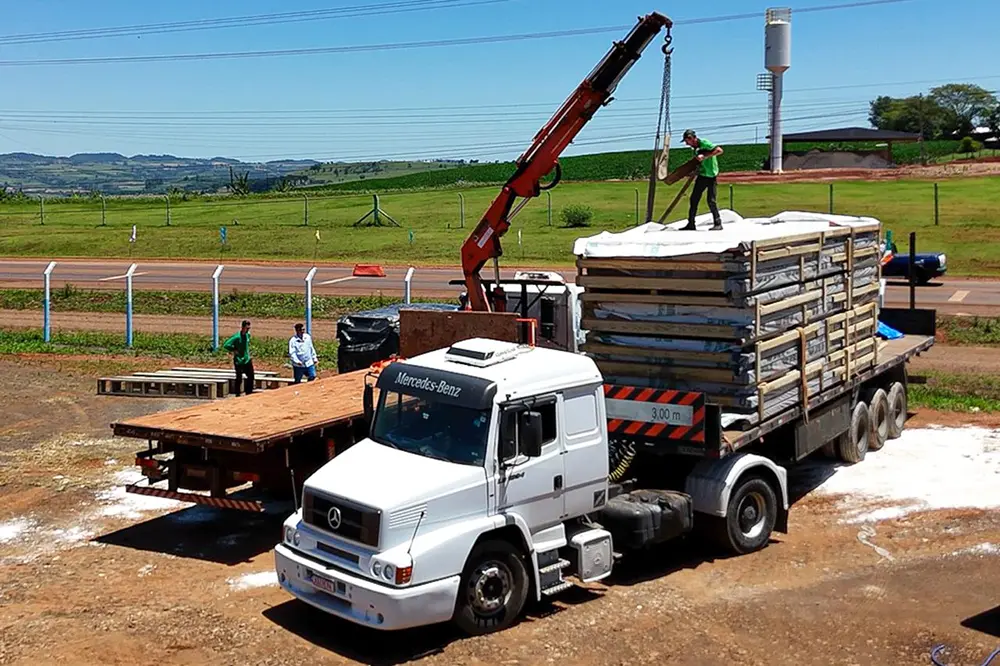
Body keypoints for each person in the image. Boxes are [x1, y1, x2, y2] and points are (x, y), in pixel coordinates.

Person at [682, 129, 724, 231]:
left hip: (711, 176)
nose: (687, 144)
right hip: (702, 175)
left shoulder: (704, 143)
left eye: (687, 141)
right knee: (694, 199)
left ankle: (718, 223)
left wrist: (704, 156)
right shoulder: (695, 149)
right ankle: (691, 224)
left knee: (711, 200)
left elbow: (719, 150)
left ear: (691, 138)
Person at [223, 320, 254, 396]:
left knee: (251, 376)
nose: (248, 330)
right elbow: (226, 345)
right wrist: (234, 349)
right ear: (243, 327)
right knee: (239, 378)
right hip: (239, 361)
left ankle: (249, 393)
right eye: (247, 328)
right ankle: (237, 394)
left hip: (246, 359)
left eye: (249, 328)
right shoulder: (237, 337)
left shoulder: (247, 335)